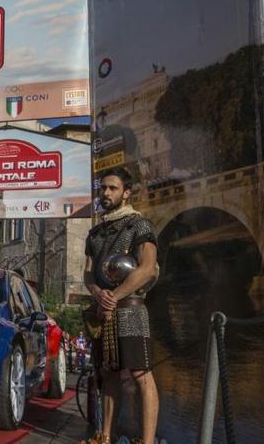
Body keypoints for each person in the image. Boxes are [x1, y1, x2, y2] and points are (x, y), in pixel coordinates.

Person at [81, 167, 159, 444]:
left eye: (112, 188)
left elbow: (148, 268)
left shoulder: (139, 225)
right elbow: (88, 273)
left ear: (126, 193)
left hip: (130, 306)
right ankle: (105, 437)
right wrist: (98, 292)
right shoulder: (95, 233)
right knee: (109, 373)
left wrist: (114, 296)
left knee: (140, 373)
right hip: (104, 308)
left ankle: (147, 441)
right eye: (103, 188)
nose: (105, 193)